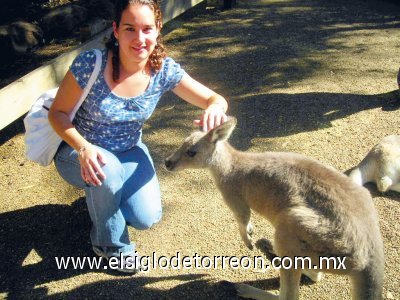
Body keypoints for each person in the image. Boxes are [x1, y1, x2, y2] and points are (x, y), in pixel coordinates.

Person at [48, 0, 228, 273]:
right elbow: (57, 114)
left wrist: (216, 107)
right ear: (116, 30)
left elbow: (215, 98)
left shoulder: (163, 70)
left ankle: (102, 199)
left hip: (129, 149)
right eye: (130, 28)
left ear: (158, 30)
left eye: (147, 29)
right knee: (106, 172)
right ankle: (109, 246)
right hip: (79, 151)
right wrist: (83, 147)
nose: (140, 38)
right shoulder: (91, 65)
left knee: (147, 217)